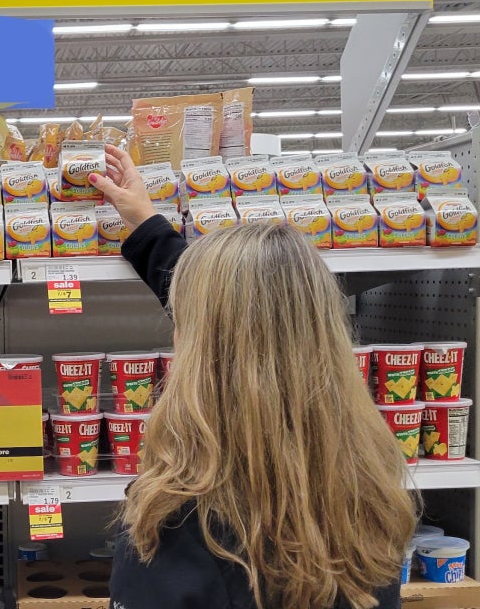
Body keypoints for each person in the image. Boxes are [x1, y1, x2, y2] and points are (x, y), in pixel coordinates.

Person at [88, 145, 416, 609]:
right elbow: (253, 317)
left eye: (182, 319)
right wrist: (146, 223)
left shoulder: (176, 522)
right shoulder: (365, 491)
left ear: (201, 348)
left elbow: (227, 319)